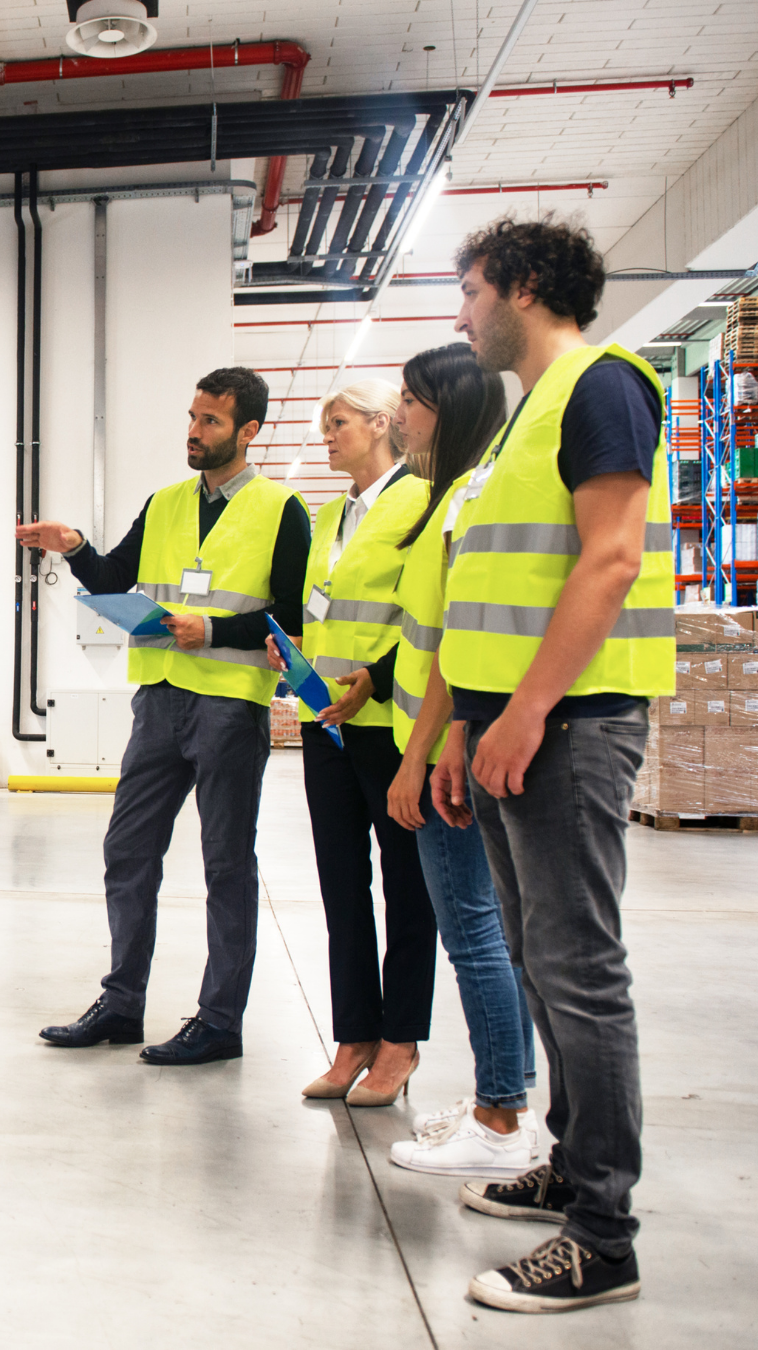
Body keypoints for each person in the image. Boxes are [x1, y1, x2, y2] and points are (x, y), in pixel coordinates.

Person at [433, 216, 671, 1313]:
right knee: (540, 959)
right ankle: (573, 1166)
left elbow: (613, 557)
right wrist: (466, 724)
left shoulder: (602, 387)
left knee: (580, 972)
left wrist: (526, 711)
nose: (462, 310)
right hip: (515, 730)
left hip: (568, 726)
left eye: (471, 288)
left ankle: (603, 1239)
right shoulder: (524, 418)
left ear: (524, 286)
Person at [18, 368, 311, 1065]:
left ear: (247, 431)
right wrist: (74, 547)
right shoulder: (167, 502)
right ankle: (122, 1003)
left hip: (231, 709)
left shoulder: (283, 509)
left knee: (225, 864)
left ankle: (219, 1021)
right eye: (191, 417)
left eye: (210, 422)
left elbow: (294, 622)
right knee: (128, 849)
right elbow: (117, 578)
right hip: (158, 702)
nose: (193, 431)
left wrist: (211, 633)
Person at [369, 344, 544, 1178]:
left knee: (473, 931)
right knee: (492, 932)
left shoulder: (461, 505)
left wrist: (422, 755)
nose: (397, 415)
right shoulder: (448, 501)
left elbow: (447, 648)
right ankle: (505, 1101)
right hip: (441, 744)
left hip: (444, 755)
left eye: (410, 400)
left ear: (450, 409)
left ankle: (501, 1117)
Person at [268, 380, 437, 1108]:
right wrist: (295, 652)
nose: (327, 435)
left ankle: (401, 1041)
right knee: (341, 886)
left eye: (337, 423)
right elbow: (321, 610)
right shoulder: (329, 514)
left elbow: (427, 616)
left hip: (390, 723)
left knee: (406, 888)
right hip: (325, 722)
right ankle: (354, 1037)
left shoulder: (421, 500)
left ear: (380, 423)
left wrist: (375, 676)